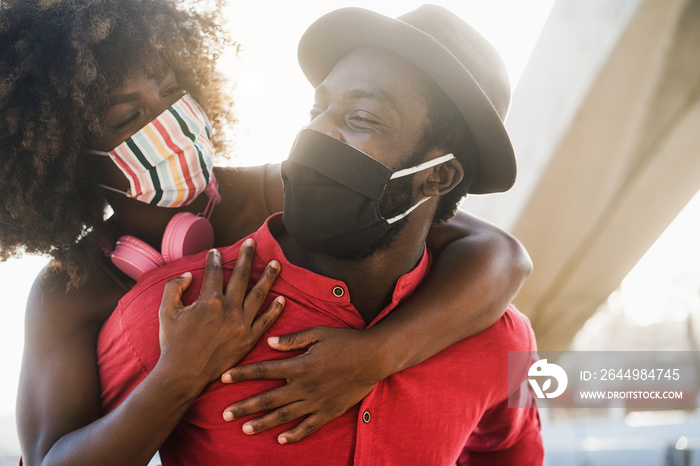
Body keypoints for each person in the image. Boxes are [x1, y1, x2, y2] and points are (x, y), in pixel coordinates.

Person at [1, 1, 531, 464]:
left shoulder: (275, 190)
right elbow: (51, 454)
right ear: (63, 153)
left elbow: (494, 250)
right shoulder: (71, 290)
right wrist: (180, 375)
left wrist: (375, 355)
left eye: (173, 90)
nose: (172, 121)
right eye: (129, 115)